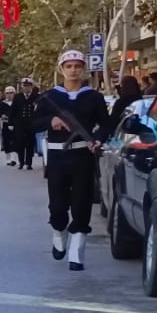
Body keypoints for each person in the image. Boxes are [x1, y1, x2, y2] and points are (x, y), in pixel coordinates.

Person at [37, 50, 110, 271]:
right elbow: (33, 123)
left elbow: (106, 124)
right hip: (57, 156)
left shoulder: (93, 97)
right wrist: (51, 121)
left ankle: (77, 253)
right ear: (61, 69)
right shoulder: (51, 97)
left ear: (83, 69)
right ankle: (59, 232)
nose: (73, 70)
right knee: (58, 205)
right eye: (69, 66)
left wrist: (97, 139)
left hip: (82, 156)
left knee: (81, 203)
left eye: (77, 66)